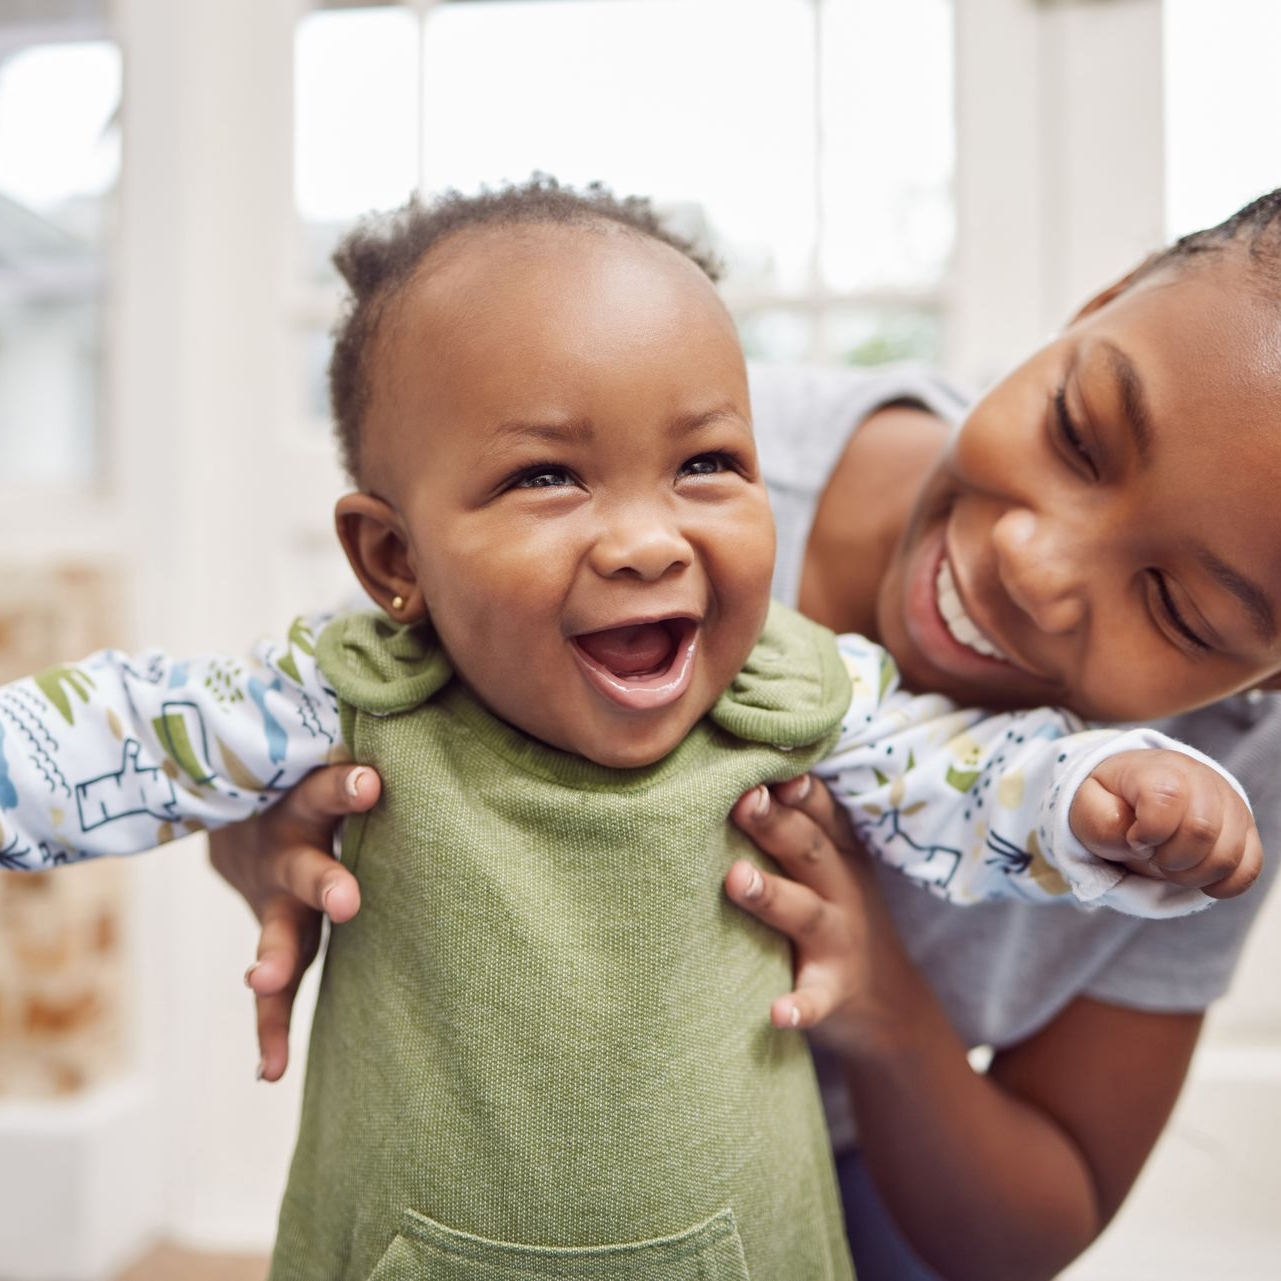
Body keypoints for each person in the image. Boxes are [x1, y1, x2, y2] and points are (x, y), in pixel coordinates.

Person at [209, 186, 1281, 1281]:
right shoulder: (644, 440)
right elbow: (319, 707)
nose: (1031, 560)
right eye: (1078, 432)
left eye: (1181, 610)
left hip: (876, 1176)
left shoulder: (1209, 784)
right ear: (1098, 304)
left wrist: (886, 1009)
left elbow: (1031, 1227)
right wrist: (261, 830)